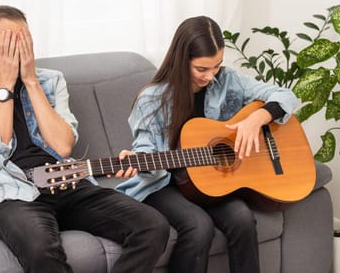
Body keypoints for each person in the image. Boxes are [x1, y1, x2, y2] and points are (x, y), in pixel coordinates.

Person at [0, 5, 169, 273]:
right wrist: (5, 86)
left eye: (24, 41)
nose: (18, 50)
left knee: (152, 226)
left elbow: (63, 146)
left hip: (67, 181)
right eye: (8, 42)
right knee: (41, 251)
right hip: (11, 194)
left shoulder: (51, 81)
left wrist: (30, 82)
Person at [114, 16, 299, 273]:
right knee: (199, 227)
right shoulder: (152, 98)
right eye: (202, 69)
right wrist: (137, 160)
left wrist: (257, 118)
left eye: (217, 66)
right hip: (165, 183)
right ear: (182, 60)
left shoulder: (227, 80)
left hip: (211, 182)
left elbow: (285, 96)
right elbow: (147, 148)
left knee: (243, 219)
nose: (211, 76)